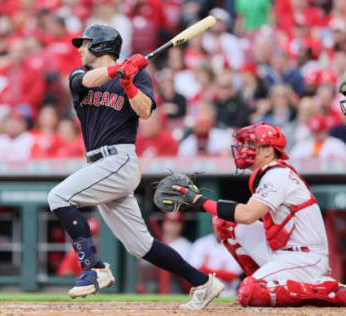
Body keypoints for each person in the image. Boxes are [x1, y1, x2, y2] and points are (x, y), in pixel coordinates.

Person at [47, 24, 224, 310]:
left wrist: (129, 81)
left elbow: (145, 111)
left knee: (58, 197)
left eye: (85, 43)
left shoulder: (136, 74)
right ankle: (204, 282)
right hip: (98, 163)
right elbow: (86, 83)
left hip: (120, 160)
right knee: (141, 246)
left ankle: (94, 268)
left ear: (101, 46)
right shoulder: (79, 74)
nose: (79, 48)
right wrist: (118, 71)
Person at [167, 122, 346, 307]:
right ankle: (266, 281)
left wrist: (200, 202)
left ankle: (328, 289)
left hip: (305, 258)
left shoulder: (277, 174)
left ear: (268, 151)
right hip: (282, 253)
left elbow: (248, 215)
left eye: (251, 145)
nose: (244, 149)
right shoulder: (268, 174)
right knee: (224, 222)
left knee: (250, 292)